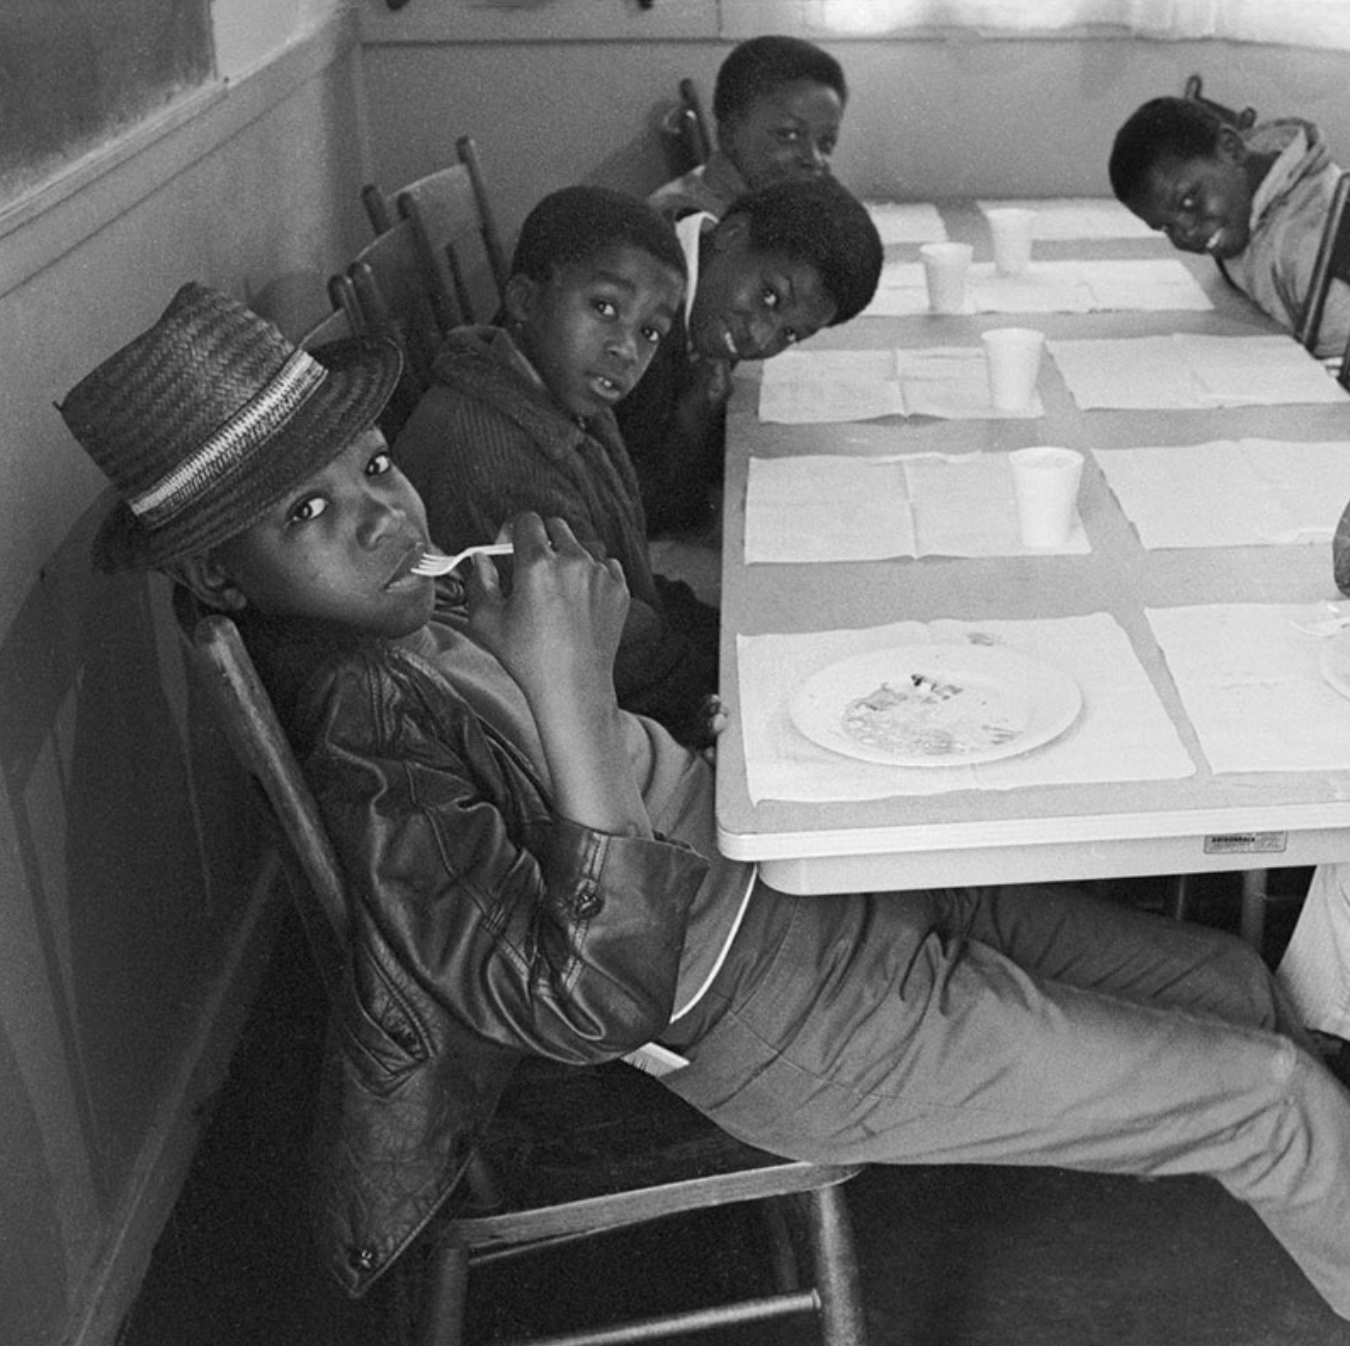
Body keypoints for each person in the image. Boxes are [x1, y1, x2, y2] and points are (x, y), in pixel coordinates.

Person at [61, 281, 1350, 1318]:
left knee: (1242, 993)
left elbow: (628, 759)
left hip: (809, 880)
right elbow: (577, 1001)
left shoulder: (425, 613)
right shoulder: (363, 734)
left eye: (377, 466)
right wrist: (570, 693)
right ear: (227, 584)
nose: (384, 514)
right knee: (1275, 1102)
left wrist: (665, 712)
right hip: (778, 1015)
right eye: (307, 509)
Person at [393, 185, 719, 747]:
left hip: (608, 686)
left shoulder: (568, 399)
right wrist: (719, 673)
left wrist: (716, 634)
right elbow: (604, 645)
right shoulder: (495, 461)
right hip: (559, 738)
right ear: (524, 299)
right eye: (605, 308)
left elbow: (621, 572)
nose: (626, 348)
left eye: (650, 331)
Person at [617, 174, 883, 537]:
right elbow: (622, 509)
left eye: (790, 334)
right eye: (770, 296)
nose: (759, 339)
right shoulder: (636, 307)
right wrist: (692, 419)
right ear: (733, 234)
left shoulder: (707, 284)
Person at [1109, 95, 1350, 358]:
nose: (1186, 233)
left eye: (1189, 201)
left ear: (1231, 149)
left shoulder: (1314, 242)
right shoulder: (1241, 202)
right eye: (1166, 227)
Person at [650, 34, 847, 222]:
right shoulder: (691, 224)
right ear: (729, 135)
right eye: (789, 134)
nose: (814, 159)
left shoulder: (781, 207)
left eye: (826, 142)